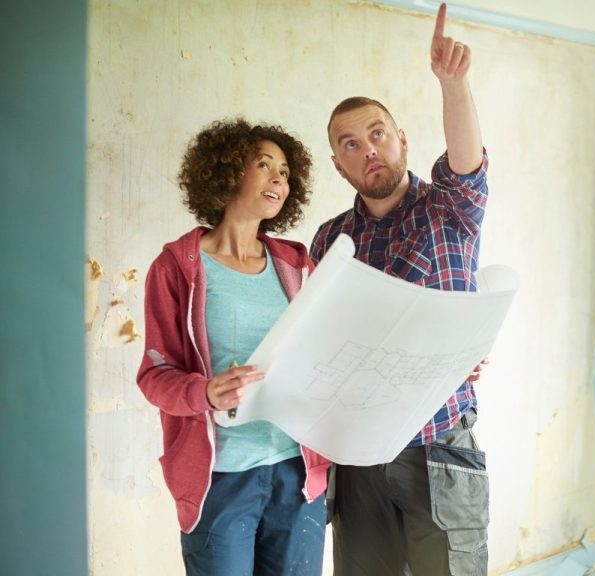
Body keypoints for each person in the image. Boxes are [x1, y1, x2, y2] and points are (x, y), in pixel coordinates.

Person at [309, 4, 490, 575]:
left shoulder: (447, 208)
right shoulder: (329, 240)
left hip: (437, 443)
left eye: (377, 134)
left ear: (402, 139)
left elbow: (466, 163)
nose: (369, 151)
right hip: (358, 451)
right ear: (339, 165)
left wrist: (453, 85)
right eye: (350, 145)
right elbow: (320, 341)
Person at [137, 118, 332, 575]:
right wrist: (204, 393)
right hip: (220, 477)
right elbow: (153, 375)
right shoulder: (177, 267)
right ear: (225, 173)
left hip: (298, 475)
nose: (279, 178)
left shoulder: (298, 263)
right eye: (263, 165)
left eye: (284, 171)